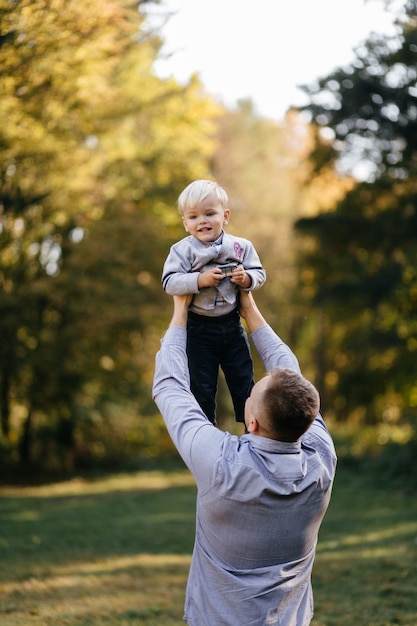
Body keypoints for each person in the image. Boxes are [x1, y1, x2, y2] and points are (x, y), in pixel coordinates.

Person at [152, 291, 337, 626]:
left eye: (250, 395)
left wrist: (180, 309)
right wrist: (248, 306)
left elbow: (170, 386)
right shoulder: (321, 460)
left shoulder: (222, 464)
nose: (248, 393)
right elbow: (290, 375)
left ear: (251, 422)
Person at [161, 179, 266, 426]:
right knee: (202, 386)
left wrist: (247, 277)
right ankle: (206, 433)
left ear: (225, 216)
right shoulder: (181, 251)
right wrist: (199, 280)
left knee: (243, 379)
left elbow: (260, 273)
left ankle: (253, 432)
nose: (202, 221)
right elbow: (169, 282)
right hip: (198, 329)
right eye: (194, 217)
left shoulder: (241, 246)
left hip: (231, 325)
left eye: (210, 214)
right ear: (185, 223)